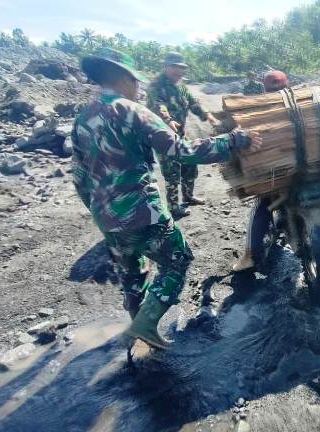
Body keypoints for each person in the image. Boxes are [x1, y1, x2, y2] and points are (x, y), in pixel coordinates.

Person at [72, 48, 260, 349]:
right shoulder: (132, 110)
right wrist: (233, 140)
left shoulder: (83, 118)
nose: (138, 88)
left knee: (132, 270)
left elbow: (79, 176)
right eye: (136, 81)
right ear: (124, 78)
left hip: (105, 215)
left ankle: (136, 326)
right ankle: (145, 325)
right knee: (178, 260)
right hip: (142, 211)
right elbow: (181, 151)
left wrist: (101, 212)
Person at [232, 70, 320, 272]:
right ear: (287, 85)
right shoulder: (303, 104)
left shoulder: (260, 110)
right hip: (311, 168)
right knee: (319, 192)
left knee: (261, 206)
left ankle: (249, 256)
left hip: (277, 175)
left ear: (265, 88)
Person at [147, 52, 220, 219]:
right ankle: (173, 207)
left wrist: (207, 115)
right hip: (164, 137)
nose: (178, 71)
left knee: (190, 164)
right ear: (166, 67)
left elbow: (193, 102)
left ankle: (188, 196)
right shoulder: (155, 86)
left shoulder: (181, 86)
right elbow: (158, 105)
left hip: (181, 134)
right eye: (174, 67)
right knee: (172, 172)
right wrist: (168, 119)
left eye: (181, 68)